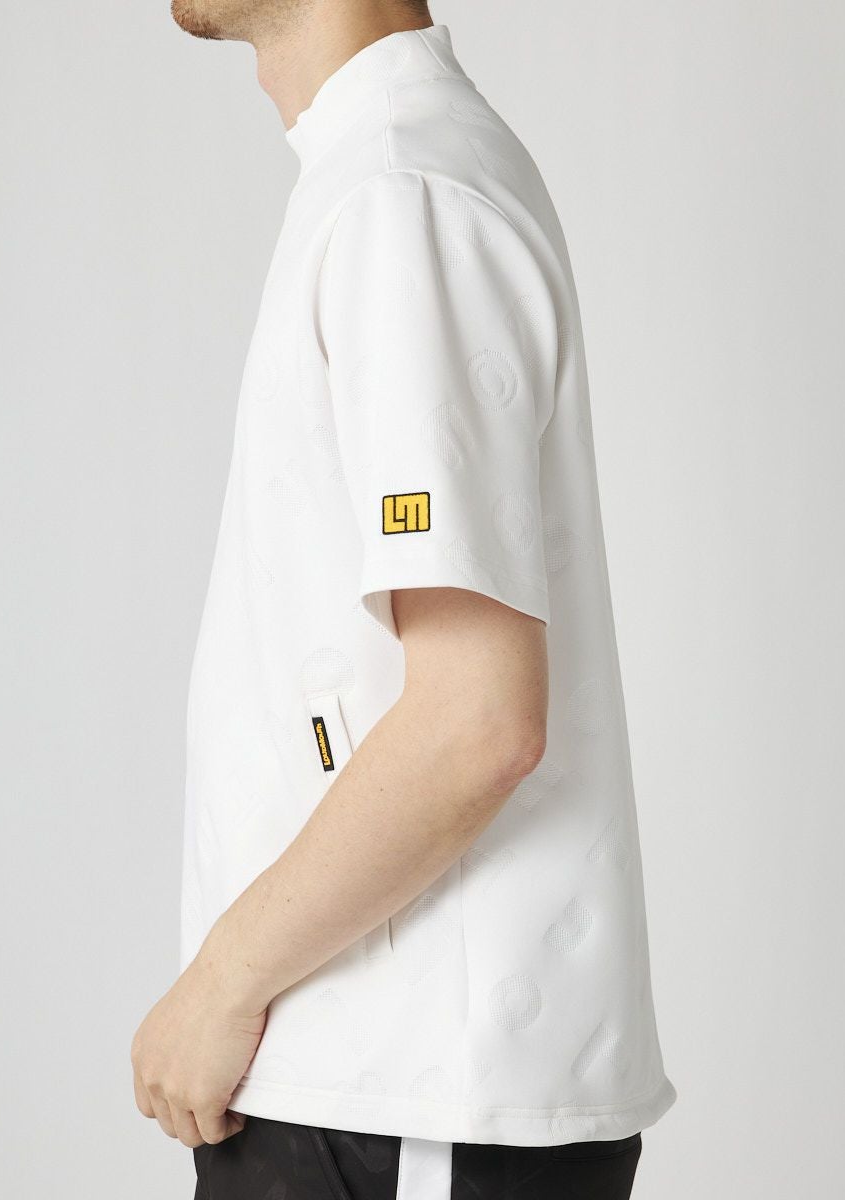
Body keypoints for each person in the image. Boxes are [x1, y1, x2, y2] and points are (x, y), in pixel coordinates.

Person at [130, 3, 678, 1197]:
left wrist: (218, 984)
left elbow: (474, 722)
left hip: (408, 1101)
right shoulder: (379, 178)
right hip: (375, 1086)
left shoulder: (399, 195)